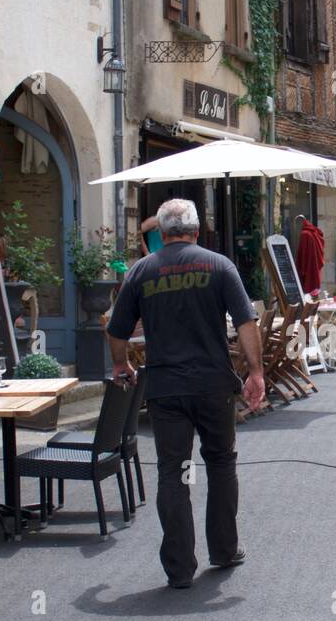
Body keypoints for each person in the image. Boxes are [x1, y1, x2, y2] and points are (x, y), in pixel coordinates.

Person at [106, 199, 265, 589]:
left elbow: (116, 329)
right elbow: (246, 322)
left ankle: (179, 569)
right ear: (196, 231)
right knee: (221, 464)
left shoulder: (142, 271)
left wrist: (120, 365)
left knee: (174, 473)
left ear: (161, 233)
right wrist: (257, 372)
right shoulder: (219, 265)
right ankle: (225, 549)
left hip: (165, 388)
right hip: (213, 385)